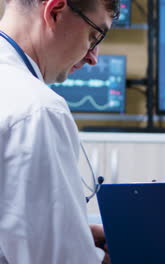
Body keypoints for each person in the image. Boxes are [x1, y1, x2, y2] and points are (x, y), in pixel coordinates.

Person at [0, 0, 119, 263]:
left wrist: (71, 236)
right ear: (55, 11)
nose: (93, 57)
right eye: (93, 35)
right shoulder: (36, 109)